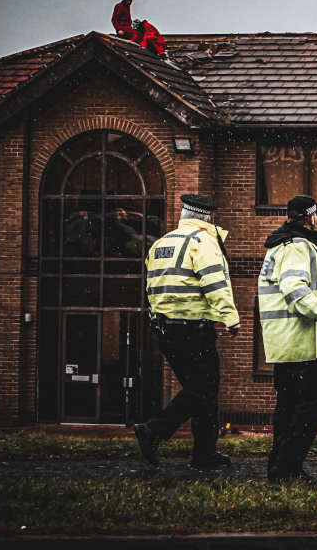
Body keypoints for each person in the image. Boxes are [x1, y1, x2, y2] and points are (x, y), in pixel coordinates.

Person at [135, 194, 240, 470]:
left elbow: (150, 285)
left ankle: (204, 454)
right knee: (203, 389)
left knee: (200, 392)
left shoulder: (161, 244)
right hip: (193, 329)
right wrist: (230, 318)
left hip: (165, 330)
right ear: (207, 218)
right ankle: (154, 430)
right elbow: (214, 279)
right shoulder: (202, 241)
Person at [258, 195, 317, 483]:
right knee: (310, 406)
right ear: (311, 217)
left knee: (287, 409)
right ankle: (287, 469)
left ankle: (279, 468)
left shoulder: (281, 244)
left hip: (285, 344)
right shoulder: (298, 247)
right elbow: (295, 291)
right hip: (299, 344)